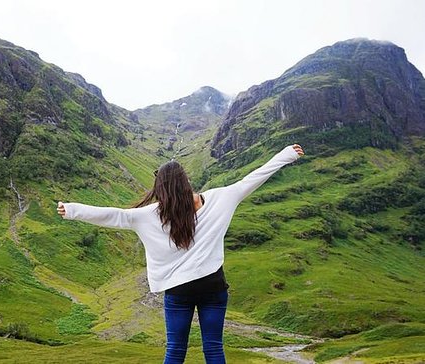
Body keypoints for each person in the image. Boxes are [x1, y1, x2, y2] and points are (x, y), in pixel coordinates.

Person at [57, 144, 304, 363]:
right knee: (214, 349)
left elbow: (114, 215)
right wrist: (286, 155)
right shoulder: (220, 198)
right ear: (186, 181)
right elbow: (252, 179)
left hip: (178, 292)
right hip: (213, 287)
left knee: (175, 350)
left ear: (160, 187)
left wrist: (72, 210)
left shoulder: (147, 216)